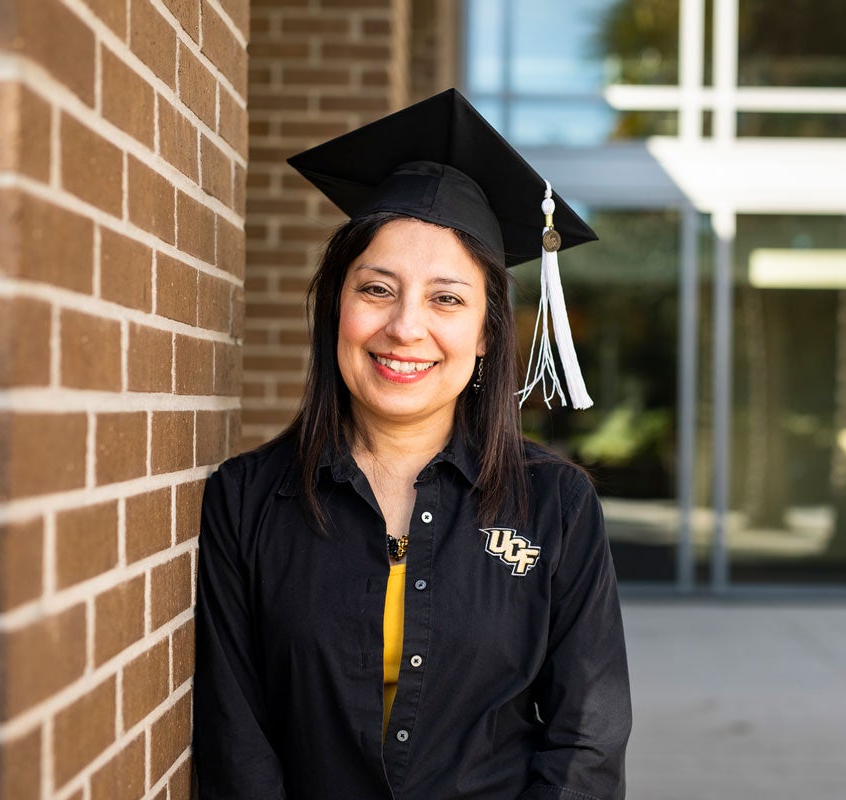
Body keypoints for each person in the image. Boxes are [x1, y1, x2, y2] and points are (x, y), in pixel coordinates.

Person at [193, 89, 631, 800]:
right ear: (337, 305)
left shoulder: (555, 505)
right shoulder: (246, 501)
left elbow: (586, 735)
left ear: (488, 333)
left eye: (447, 298)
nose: (404, 327)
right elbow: (234, 737)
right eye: (376, 289)